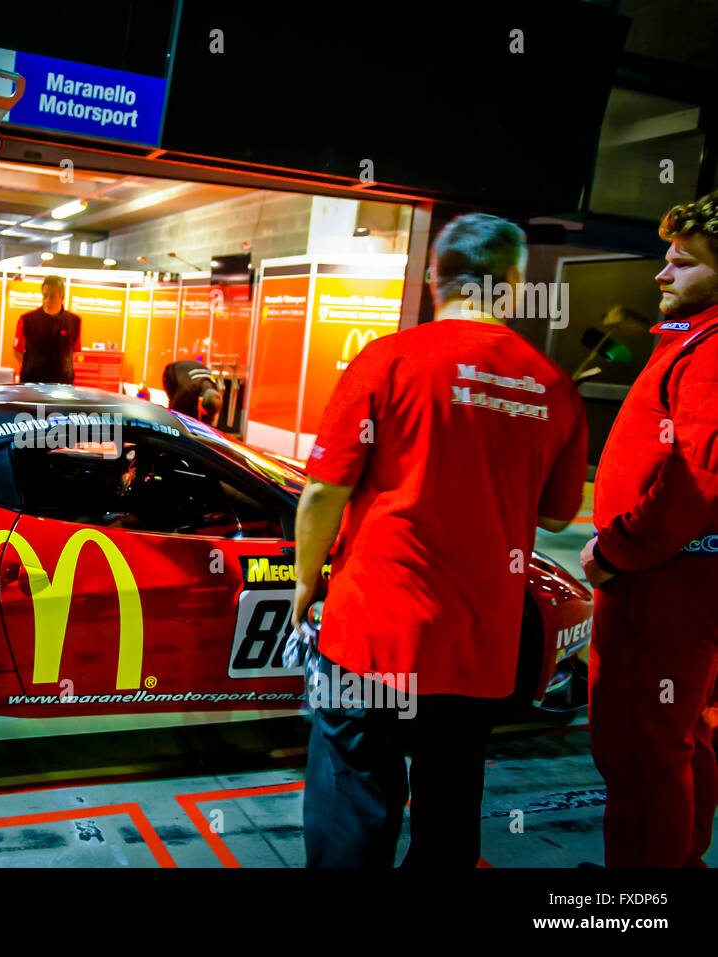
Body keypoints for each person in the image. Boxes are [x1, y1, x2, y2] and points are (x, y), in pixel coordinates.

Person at [293, 213, 587, 867]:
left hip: (372, 638)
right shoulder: (553, 385)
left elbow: (321, 493)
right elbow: (561, 515)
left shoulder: (387, 360)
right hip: (477, 648)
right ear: (512, 286)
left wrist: (305, 582)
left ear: (433, 278)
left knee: (354, 801)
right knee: (449, 811)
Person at [579, 189, 718, 868]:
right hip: (680, 582)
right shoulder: (695, 341)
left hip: (664, 586)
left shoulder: (713, 352)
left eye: (683, 261)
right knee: (681, 736)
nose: (662, 274)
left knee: (640, 748)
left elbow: (698, 481)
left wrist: (616, 550)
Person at [14, 275, 80, 384]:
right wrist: (33, 367)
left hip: (63, 385)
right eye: (45, 296)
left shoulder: (74, 321)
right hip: (33, 383)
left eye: (52, 296)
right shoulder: (27, 320)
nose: (47, 301)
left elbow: (73, 352)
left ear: (62, 296)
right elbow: (17, 352)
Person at [162, 359, 223, 423]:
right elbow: (175, 413)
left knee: (195, 414)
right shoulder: (186, 390)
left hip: (193, 372)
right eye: (203, 412)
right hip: (172, 372)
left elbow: (209, 418)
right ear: (200, 400)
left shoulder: (215, 390)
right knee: (182, 412)